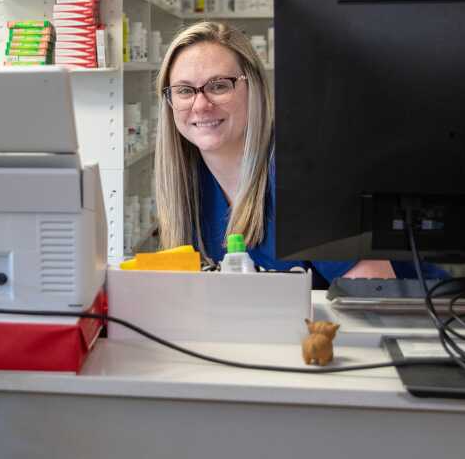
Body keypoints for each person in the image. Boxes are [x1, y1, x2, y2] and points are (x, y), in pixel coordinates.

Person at [153, 20, 441, 286]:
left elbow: (375, 299)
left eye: (219, 86)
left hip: (420, 327)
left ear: (254, 88)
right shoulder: (190, 184)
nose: (201, 105)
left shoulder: (304, 175)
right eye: (184, 91)